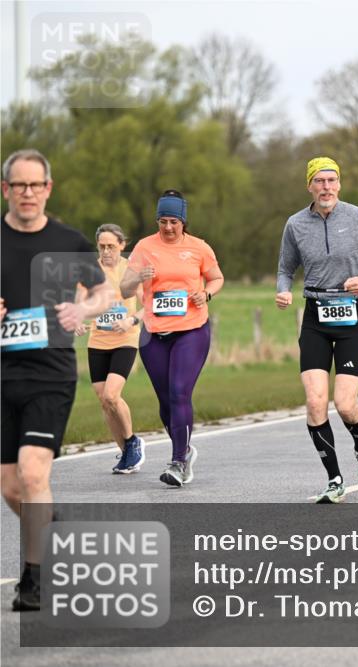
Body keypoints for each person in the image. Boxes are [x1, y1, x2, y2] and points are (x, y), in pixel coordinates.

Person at [2, 149, 114, 611]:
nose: (27, 193)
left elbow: (106, 292)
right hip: (2, 374)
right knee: (11, 486)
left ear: (48, 189)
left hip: (50, 374)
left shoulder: (68, 242)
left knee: (33, 472)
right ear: (6, 189)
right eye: (18, 185)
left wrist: (82, 308)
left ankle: (35, 579)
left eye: (36, 185)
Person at [276, 158, 358, 504]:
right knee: (315, 402)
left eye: (332, 180)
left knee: (344, 404)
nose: (326, 187)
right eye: (320, 181)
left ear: (339, 185)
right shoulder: (295, 224)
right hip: (315, 315)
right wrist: (283, 289)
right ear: (309, 186)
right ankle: (334, 479)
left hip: (351, 315)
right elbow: (285, 268)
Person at [120, 190, 224, 488]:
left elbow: (217, 278)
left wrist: (205, 293)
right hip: (154, 334)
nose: (167, 228)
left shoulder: (199, 247)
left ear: (183, 222)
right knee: (165, 401)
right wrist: (138, 278)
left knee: (180, 392)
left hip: (192, 329)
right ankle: (186, 449)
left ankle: (178, 461)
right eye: (163, 221)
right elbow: (126, 289)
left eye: (174, 222)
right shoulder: (143, 247)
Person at [76, 224, 146, 472]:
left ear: (122, 246)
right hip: (98, 341)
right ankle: (126, 453)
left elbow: (148, 305)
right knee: (104, 402)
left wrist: (131, 319)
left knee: (111, 395)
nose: (106, 251)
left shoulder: (131, 270)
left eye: (111, 246)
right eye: (102, 246)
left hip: (126, 338)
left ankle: (132, 443)